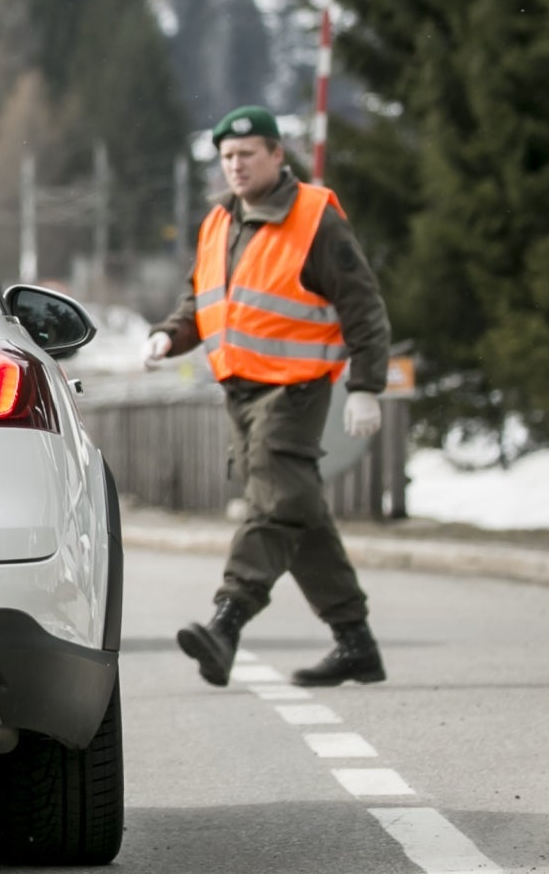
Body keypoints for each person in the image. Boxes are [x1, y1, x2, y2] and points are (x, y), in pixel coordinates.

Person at [147, 106, 393, 689]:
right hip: (241, 391)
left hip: (296, 389)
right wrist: (169, 334)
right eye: (227, 157)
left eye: (247, 155)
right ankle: (355, 641)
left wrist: (366, 387)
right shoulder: (218, 222)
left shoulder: (314, 218)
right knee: (298, 512)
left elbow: (365, 307)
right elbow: (201, 303)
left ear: (277, 156)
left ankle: (226, 621)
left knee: (274, 500)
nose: (235, 166)